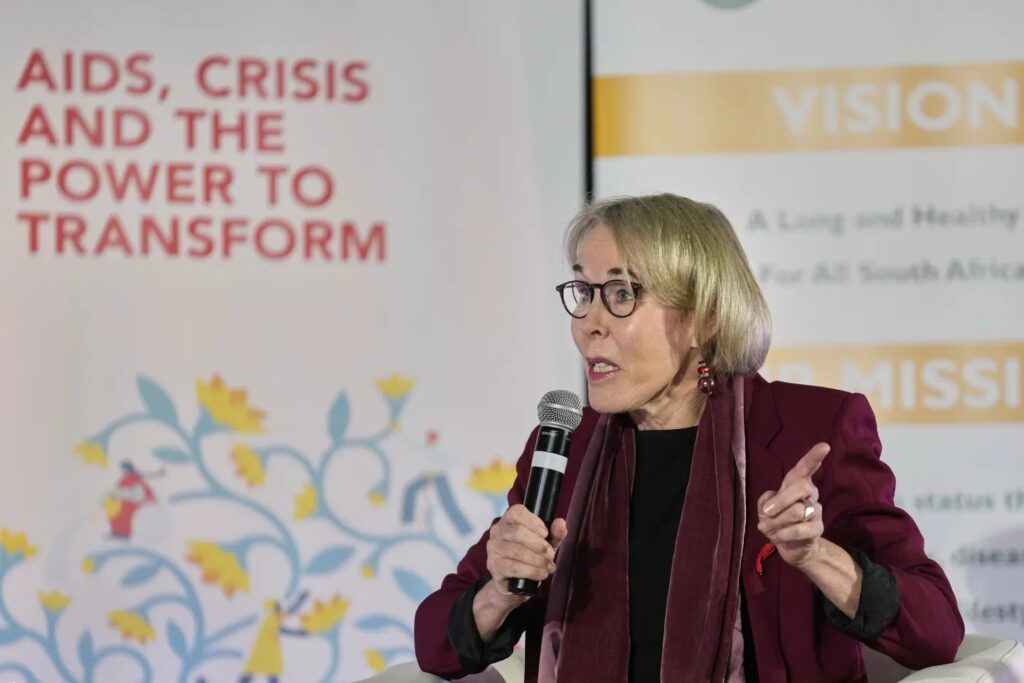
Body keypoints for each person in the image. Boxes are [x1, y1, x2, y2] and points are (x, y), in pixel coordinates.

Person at [414, 194, 963, 682]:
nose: (588, 323)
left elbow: (935, 631)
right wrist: (500, 591)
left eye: (621, 293)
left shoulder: (809, 429)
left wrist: (816, 555)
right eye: (583, 290)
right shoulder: (565, 446)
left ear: (705, 317)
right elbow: (434, 643)